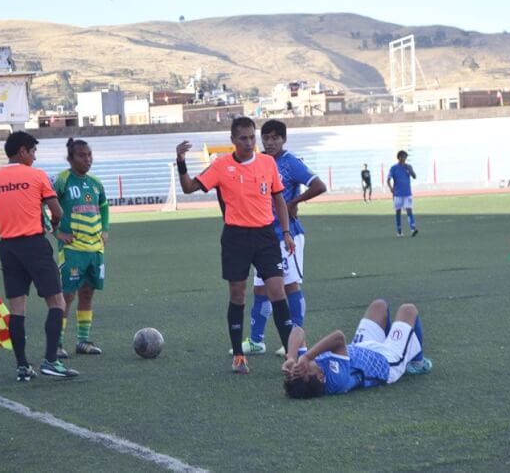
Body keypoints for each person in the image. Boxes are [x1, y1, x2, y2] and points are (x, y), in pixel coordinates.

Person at [175, 116, 295, 374]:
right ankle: (239, 356)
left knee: (278, 291)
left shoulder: (267, 163)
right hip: (236, 238)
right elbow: (187, 188)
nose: (250, 142)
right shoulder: (220, 166)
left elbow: (279, 199)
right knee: (238, 294)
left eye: (253, 137)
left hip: (266, 237)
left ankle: (291, 357)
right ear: (233, 140)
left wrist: (285, 232)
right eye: (243, 138)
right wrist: (181, 162)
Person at [0, 131, 79, 381]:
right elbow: (58, 211)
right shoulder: (37, 175)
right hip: (34, 244)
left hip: (8, 249)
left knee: (17, 308)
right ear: (22, 151)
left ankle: (22, 367)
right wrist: (54, 224)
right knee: (57, 303)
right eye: (32, 152)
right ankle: (51, 361)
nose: (34, 157)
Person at [233, 119, 327, 357]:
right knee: (260, 288)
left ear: (284, 139)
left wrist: (294, 202)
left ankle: (298, 342)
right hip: (262, 237)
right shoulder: (260, 162)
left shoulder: (290, 162)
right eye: (266, 138)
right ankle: (256, 341)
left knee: (289, 285)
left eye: (275, 138)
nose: (270, 142)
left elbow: (319, 185)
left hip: (287, 236)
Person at [282, 299, 432, 398]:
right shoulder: (336, 381)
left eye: (296, 370)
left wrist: (291, 358)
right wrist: (307, 357)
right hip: (385, 361)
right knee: (408, 310)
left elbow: (298, 331)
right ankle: (417, 364)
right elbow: (338, 338)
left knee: (379, 306)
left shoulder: (306, 371)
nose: (300, 367)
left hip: (359, 348)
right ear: (321, 377)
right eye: (303, 370)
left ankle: (393, 339)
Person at [53, 138, 108, 359]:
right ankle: (56, 344)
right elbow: (44, 203)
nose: (87, 159)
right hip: (72, 248)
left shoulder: (95, 182)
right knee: (67, 295)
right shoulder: (63, 180)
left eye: (89, 155)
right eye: (81, 155)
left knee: (87, 293)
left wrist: (105, 229)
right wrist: (56, 232)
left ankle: (83, 341)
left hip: (95, 249)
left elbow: (103, 206)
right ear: (70, 158)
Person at [387, 150, 418, 237]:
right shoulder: (393, 168)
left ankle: (413, 229)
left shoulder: (408, 167)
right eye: (404, 157)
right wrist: (390, 188)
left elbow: (414, 177)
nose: (405, 159)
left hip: (407, 193)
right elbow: (388, 179)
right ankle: (399, 231)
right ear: (399, 158)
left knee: (409, 210)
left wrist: (410, 170)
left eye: (406, 158)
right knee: (398, 212)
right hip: (397, 194)